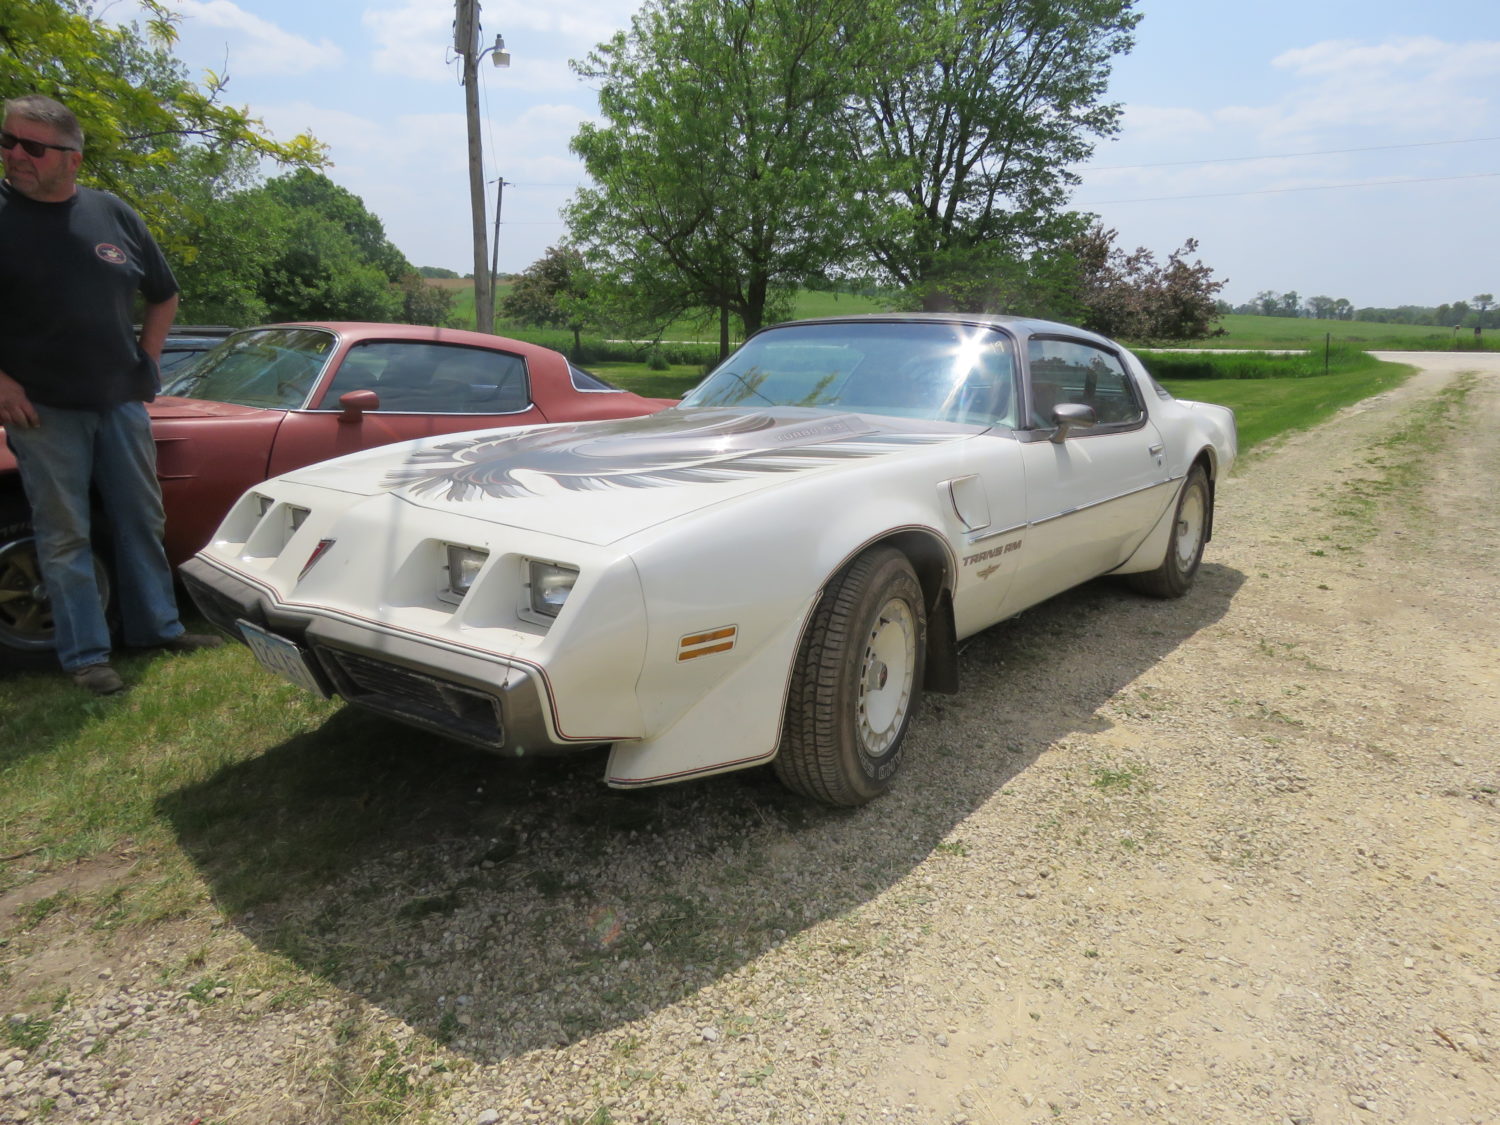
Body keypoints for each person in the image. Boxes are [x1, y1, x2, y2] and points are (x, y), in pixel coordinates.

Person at [0, 94, 220, 695]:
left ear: (71, 158)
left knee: (140, 518)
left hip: (120, 401)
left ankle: (158, 628)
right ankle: (87, 656)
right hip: (43, 408)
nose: (15, 154)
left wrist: (149, 358)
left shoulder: (112, 213)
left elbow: (163, 292)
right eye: (8, 141)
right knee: (65, 533)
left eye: (32, 146)